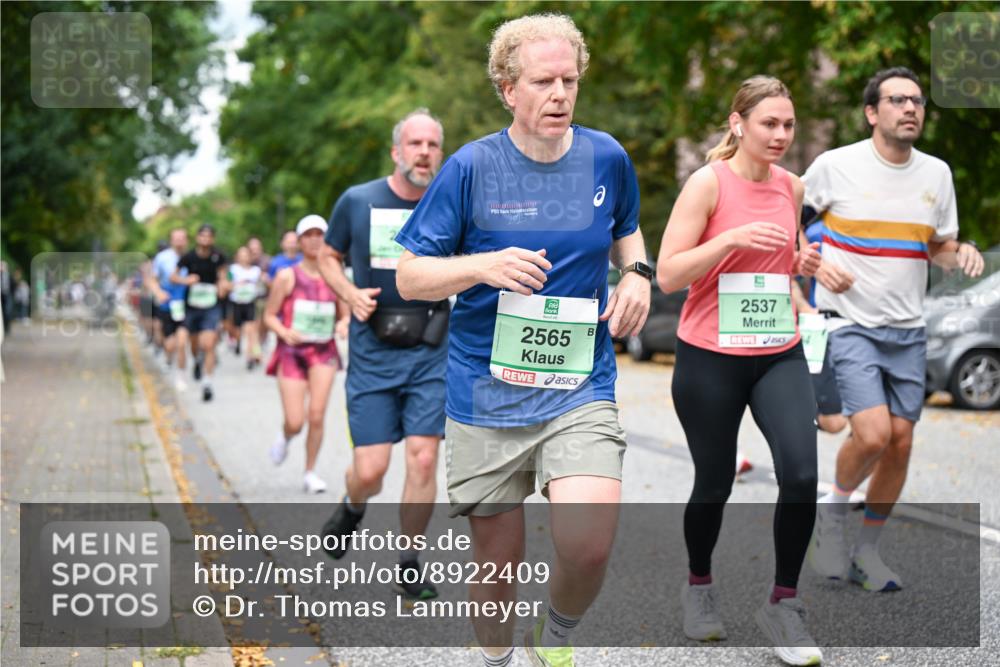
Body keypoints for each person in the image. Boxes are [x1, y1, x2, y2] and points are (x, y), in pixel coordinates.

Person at [395, 14, 650, 667]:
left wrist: (639, 275)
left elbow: (628, 227)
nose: (560, 93)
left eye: (569, 79)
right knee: (498, 560)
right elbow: (411, 275)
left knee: (587, 542)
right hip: (486, 393)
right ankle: (497, 657)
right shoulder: (471, 168)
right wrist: (480, 265)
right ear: (509, 89)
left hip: (579, 383)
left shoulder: (606, 157)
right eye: (543, 81)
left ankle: (556, 634)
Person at [656, 75, 824, 666]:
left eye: (788, 125)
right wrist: (728, 240)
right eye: (769, 124)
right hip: (710, 356)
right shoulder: (707, 184)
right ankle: (698, 585)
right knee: (716, 481)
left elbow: (784, 258)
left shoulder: (792, 186)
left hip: (777, 349)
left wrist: (802, 264)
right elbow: (669, 274)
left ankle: (784, 602)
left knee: (802, 475)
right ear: (738, 124)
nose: (780, 135)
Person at [805, 67, 984, 592]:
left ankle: (866, 552)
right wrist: (810, 263)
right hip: (850, 321)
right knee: (874, 433)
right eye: (897, 100)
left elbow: (937, 246)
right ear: (871, 112)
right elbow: (787, 215)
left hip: (908, 327)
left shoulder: (937, 175)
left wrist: (962, 250)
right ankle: (833, 514)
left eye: (918, 101)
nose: (911, 108)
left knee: (901, 443)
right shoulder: (835, 166)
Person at [316, 108, 448, 601]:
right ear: (397, 152)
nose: (424, 152)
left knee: (422, 456)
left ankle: (410, 561)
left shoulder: (449, 203)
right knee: (370, 469)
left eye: (432, 144)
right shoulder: (359, 200)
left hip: (431, 346)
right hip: (373, 348)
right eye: (415, 144)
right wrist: (347, 294)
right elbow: (328, 256)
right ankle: (352, 506)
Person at [265, 215, 349, 493]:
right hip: (291, 353)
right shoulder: (287, 276)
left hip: (323, 351)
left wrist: (342, 323)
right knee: (295, 420)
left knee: (316, 414)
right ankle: (286, 436)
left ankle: (310, 471)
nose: (315, 239)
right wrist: (283, 331)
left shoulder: (335, 276)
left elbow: (345, 314)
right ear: (299, 241)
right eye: (309, 234)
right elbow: (269, 316)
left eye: (320, 234)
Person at [172, 224, 229, 402]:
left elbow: (222, 278)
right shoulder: (188, 257)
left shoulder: (218, 256)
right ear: (197, 238)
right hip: (191, 306)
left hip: (210, 306)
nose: (205, 239)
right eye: (202, 236)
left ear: (212, 239)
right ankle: (188, 368)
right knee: (186, 344)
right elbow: (173, 277)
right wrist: (186, 280)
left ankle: (207, 382)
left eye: (209, 236)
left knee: (209, 344)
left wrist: (222, 287)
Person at [148, 228, 190, 391]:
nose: (179, 241)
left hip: (186, 305)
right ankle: (168, 359)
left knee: (181, 342)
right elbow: (152, 280)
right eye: (176, 238)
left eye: (182, 238)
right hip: (167, 306)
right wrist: (159, 292)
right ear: (171, 240)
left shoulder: (191, 257)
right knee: (170, 344)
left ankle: (181, 375)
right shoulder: (162, 258)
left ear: (186, 240)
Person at [228, 246, 264, 370]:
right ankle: (237, 343)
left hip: (250, 303)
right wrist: (236, 284)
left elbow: (263, 284)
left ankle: (251, 356)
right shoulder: (232, 270)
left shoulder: (256, 271)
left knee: (251, 330)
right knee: (238, 330)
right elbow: (226, 283)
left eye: (246, 255)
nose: (244, 257)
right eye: (241, 255)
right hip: (236, 303)